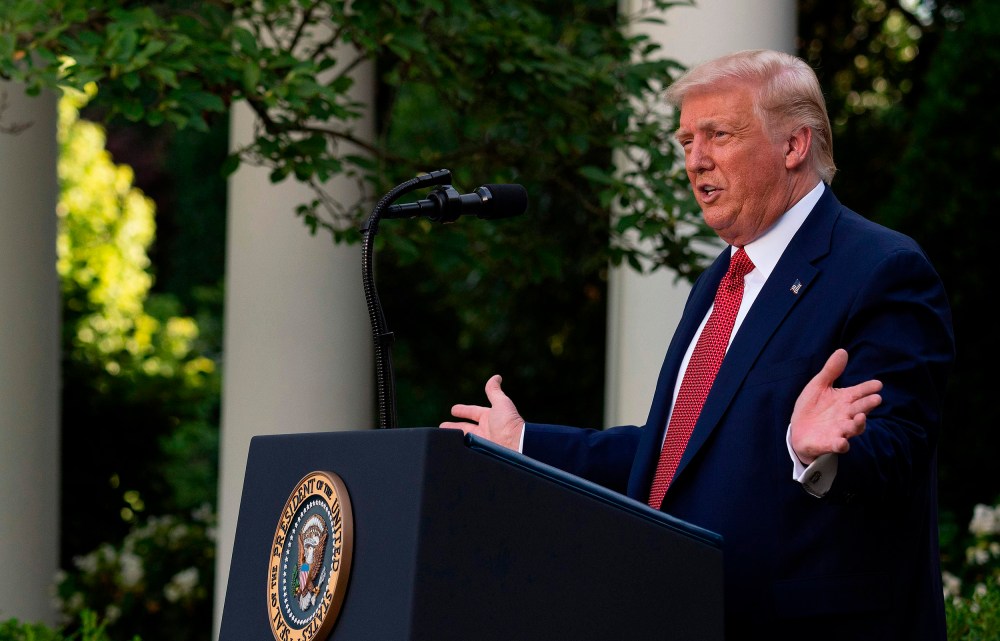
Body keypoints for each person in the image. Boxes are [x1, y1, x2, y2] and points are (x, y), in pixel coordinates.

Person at [441, 49, 955, 640]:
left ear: (794, 146)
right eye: (686, 141)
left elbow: (900, 447)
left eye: (718, 135)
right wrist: (523, 442)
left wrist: (816, 452)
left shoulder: (882, 268)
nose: (695, 161)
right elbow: (675, 457)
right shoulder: (721, 280)